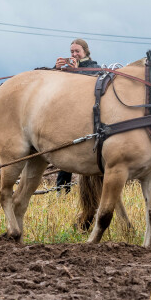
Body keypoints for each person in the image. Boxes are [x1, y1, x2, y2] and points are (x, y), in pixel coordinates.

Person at [54, 38, 99, 192]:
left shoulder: (94, 67)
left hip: (86, 119)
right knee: (66, 155)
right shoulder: (66, 68)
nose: (74, 54)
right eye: (72, 52)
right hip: (68, 116)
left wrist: (75, 70)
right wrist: (56, 68)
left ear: (85, 51)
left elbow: (88, 86)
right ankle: (62, 190)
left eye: (77, 51)